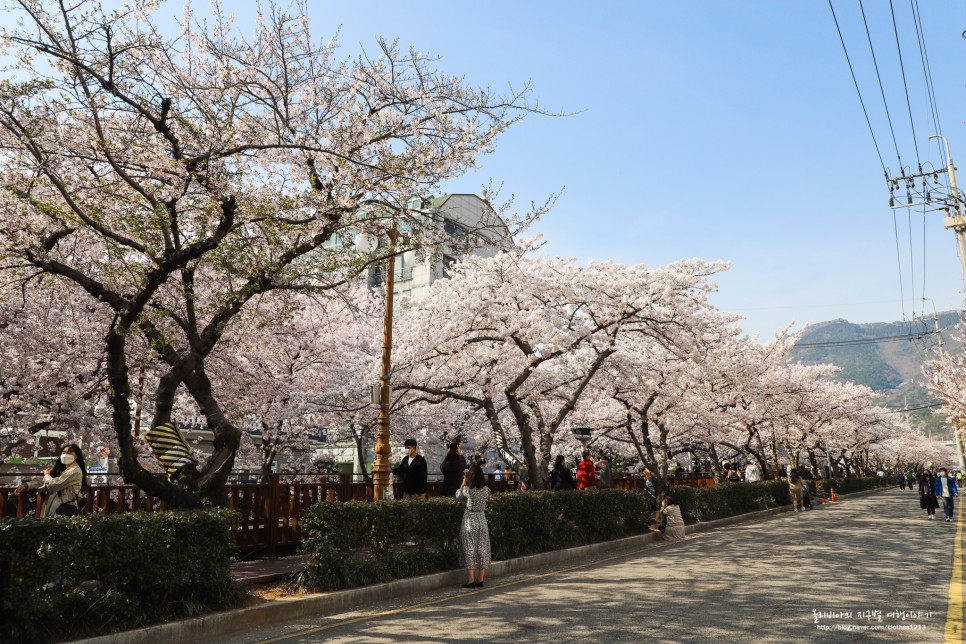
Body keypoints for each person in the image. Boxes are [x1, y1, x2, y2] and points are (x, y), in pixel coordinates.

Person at [14, 443, 88, 517]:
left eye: (69, 453)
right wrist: (26, 485)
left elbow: (53, 485)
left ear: (76, 456)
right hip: (54, 505)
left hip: (64, 507)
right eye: (63, 452)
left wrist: (46, 475)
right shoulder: (62, 469)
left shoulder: (74, 471)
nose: (65, 455)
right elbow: (46, 481)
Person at [456, 463, 491, 588]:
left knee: (469, 548)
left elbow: (458, 497)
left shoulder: (468, 490)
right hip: (481, 519)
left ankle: (471, 580)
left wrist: (463, 482)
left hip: (470, 519)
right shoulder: (486, 490)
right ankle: (480, 579)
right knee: (482, 549)